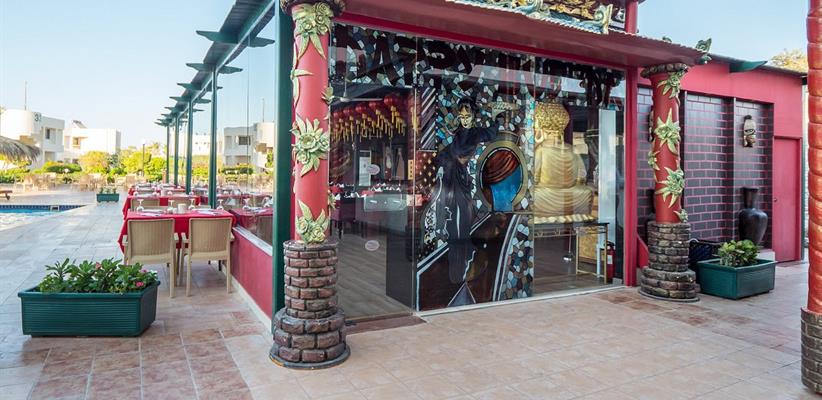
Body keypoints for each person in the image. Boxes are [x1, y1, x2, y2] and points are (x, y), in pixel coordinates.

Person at [434, 98, 501, 287]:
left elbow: (491, 133)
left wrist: (496, 118)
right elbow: (448, 154)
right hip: (452, 180)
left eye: (468, 116)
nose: (464, 119)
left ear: (474, 115)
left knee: (462, 219)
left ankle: (461, 267)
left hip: (462, 181)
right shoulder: (457, 134)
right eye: (462, 116)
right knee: (453, 223)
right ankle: (456, 269)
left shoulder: (476, 133)